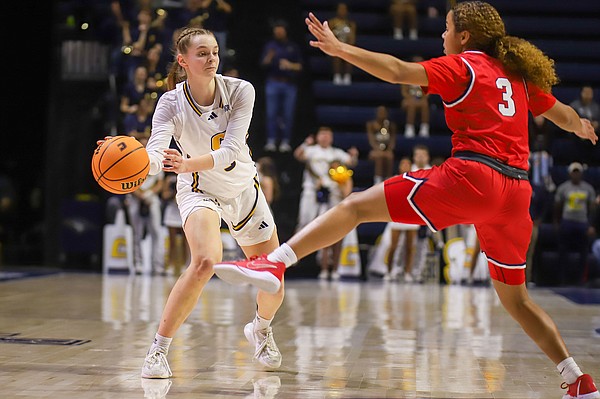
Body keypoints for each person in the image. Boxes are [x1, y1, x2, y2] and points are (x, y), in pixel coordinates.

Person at [212, 3, 600, 397]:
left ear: (465, 36)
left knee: (357, 206)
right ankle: (577, 379)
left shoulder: (462, 66)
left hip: (473, 177)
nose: (442, 36)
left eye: (447, 29)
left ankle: (274, 263)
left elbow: (398, 71)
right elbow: (564, 115)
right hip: (516, 193)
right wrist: (583, 128)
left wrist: (342, 50)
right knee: (517, 300)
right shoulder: (516, 76)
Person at [99, 27, 286, 378]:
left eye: (214, 51)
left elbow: (231, 151)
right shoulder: (170, 102)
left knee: (274, 277)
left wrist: (185, 163)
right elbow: (156, 153)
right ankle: (158, 350)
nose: (211, 58)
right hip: (200, 190)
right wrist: (134, 158)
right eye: (202, 53)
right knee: (204, 262)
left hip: (244, 189)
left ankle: (261, 328)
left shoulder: (241, 90)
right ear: (183, 61)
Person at [261, 20, 303, 153]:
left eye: (281, 29)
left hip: (288, 83)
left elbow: (300, 66)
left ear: (285, 30)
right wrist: (269, 56)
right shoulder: (270, 46)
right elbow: (263, 64)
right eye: (276, 29)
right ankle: (271, 140)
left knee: (287, 114)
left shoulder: (292, 46)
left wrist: (290, 65)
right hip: (273, 82)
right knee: (271, 113)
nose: (278, 31)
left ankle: (285, 141)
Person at [553, 162, 596, 285]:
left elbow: (592, 208)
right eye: (574, 172)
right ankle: (562, 279)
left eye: (578, 172)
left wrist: (590, 224)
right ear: (570, 173)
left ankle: (581, 279)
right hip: (567, 222)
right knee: (562, 251)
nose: (576, 175)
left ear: (581, 174)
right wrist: (556, 222)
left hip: (582, 223)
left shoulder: (588, 188)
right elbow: (557, 206)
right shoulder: (563, 188)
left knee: (583, 253)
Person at [366, 105, 397, 185]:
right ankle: (377, 180)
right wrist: (378, 149)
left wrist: (389, 149)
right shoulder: (371, 125)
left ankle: (388, 180)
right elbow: (371, 140)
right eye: (380, 112)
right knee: (379, 156)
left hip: (387, 149)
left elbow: (392, 140)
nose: (381, 114)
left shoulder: (390, 125)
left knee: (389, 156)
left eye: (383, 112)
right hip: (375, 150)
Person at [401, 56, 430, 137]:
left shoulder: (426, 76)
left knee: (425, 104)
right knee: (411, 104)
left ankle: (424, 128)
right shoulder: (406, 76)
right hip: (408, 99)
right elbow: (404, 92)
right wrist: (411, 98)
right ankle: (409, 128)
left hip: (421, 99)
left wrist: (422, 98)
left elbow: (428, 92)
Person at [328, 3, 357, 85]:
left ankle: (347, 77)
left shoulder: (351, 24)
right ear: (337, 10)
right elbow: (329, 37)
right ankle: (337, 76)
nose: (342, 11)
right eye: (340, 9)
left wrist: (348, 45)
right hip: (335, 46)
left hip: (347, 46)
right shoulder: (332, 22)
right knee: (337, 55)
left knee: (350, 56)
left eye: (344, 9)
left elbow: (353, 39)